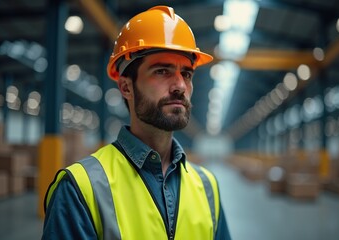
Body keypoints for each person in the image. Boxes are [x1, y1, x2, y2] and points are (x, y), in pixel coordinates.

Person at [42, 5, 231, 240]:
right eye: (162, 71)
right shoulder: (80, 188)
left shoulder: (208, 187)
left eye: (187, 74)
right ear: (126, 87)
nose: (180, 86)